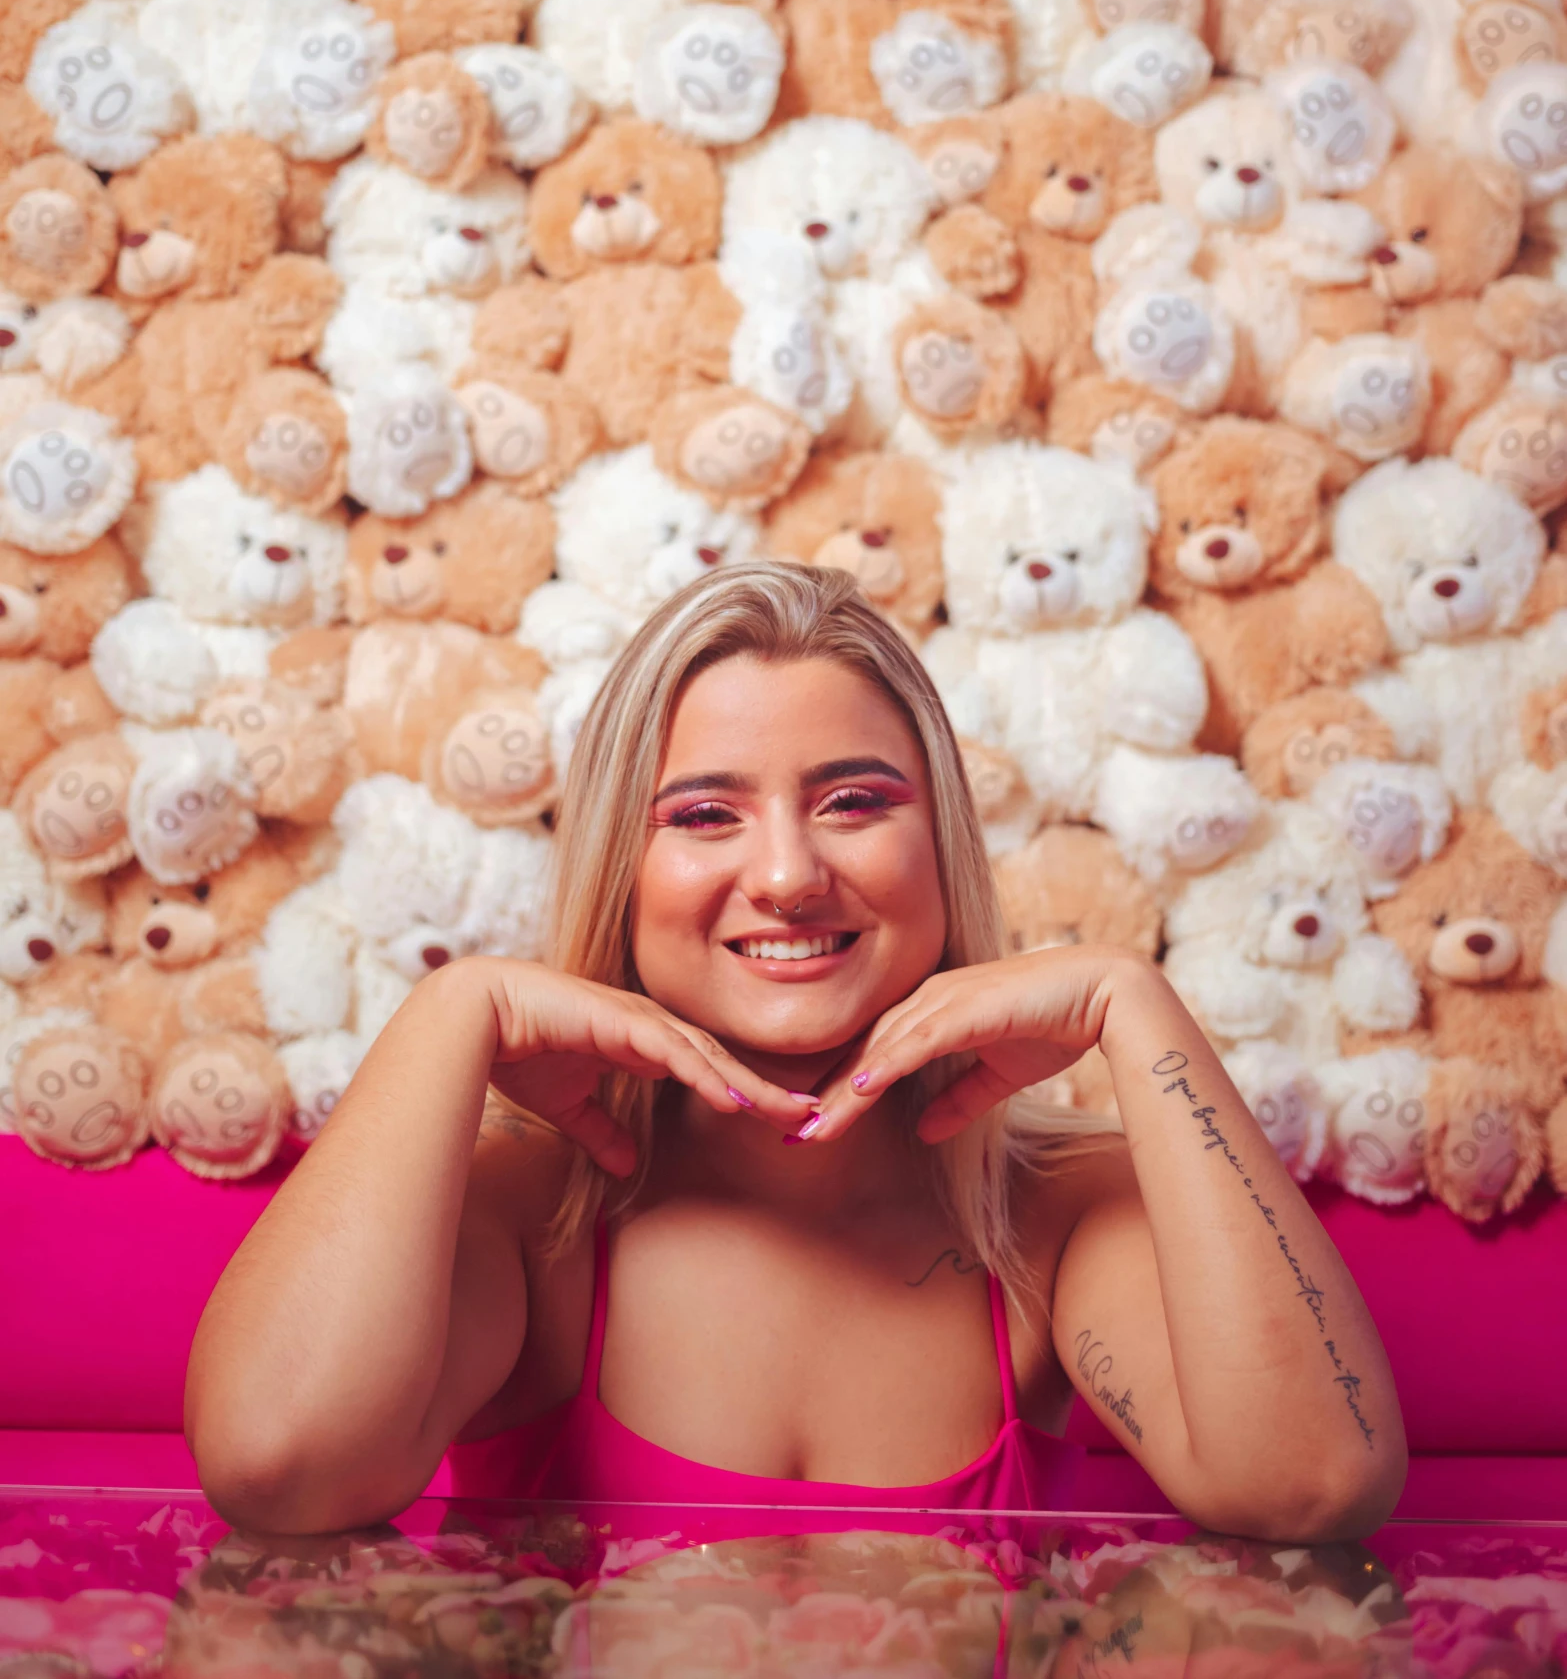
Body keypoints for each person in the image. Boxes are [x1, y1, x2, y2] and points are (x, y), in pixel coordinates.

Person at [187, 562, 1406, 1540]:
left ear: (942, 848)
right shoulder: (529, 1209)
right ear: (624, 866)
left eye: (855, 801)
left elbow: (1310, 1489)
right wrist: (448, 1017)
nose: (784, 875)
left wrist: (1137, 1008)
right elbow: (279, 1471)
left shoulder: (1054, 1215)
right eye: (704, 815)